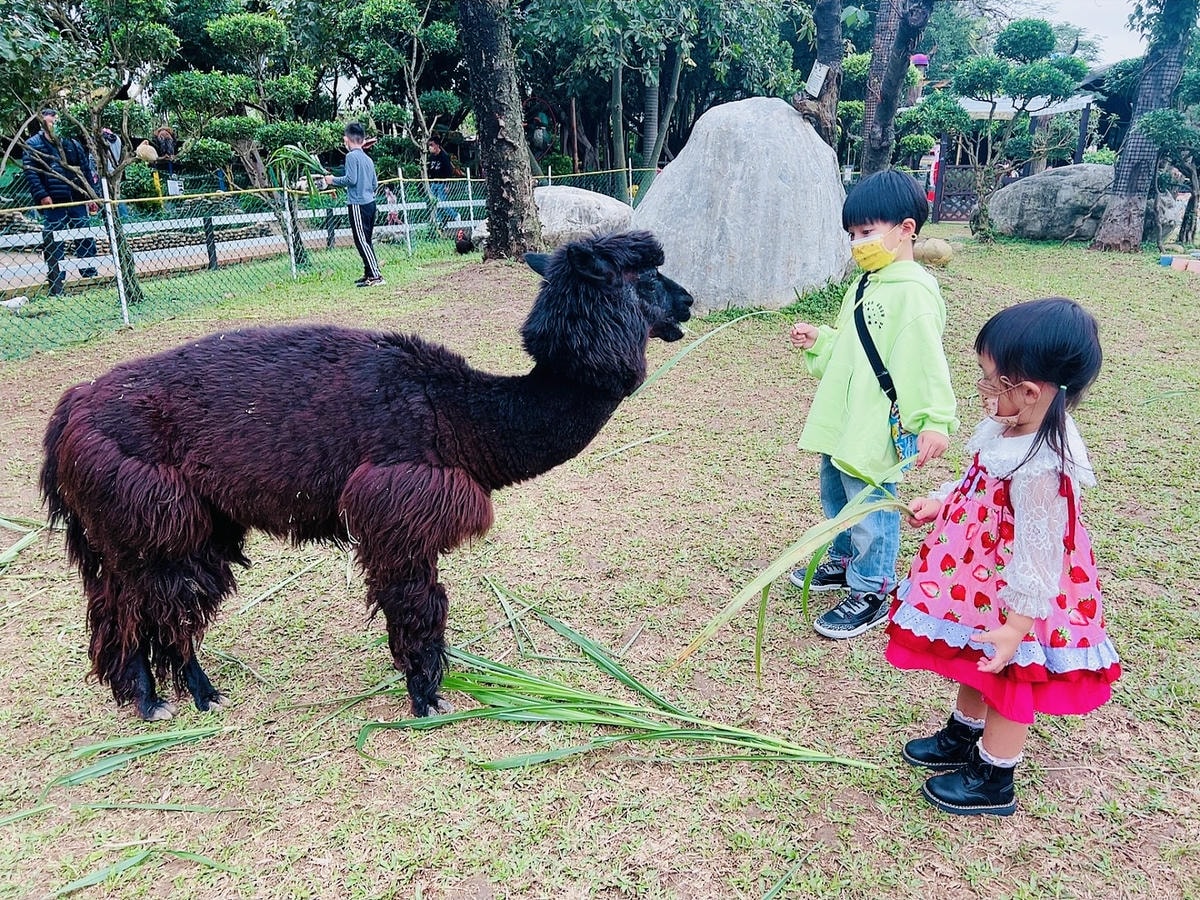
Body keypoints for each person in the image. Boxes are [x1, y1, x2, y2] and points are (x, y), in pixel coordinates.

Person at [884, 298, 1120, 816]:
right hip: (983, 580)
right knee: (977, 658)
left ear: (1030, 391)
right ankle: (963, 735)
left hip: (1020, 597)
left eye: (991, 381)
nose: (983, 391)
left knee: (1011, 672)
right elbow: (977, 479)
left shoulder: (1043, 464)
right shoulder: (1007, 427)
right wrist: (942, 499)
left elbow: (1039, 551)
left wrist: (1018, 624)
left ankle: (995, 776)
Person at [788, 169, 958, 639]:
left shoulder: (913, 293)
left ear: (906, 229)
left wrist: (934, 421)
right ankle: (845, 561)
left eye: (867, 232)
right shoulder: (865, 283)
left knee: (872, 504)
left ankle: (874, 587)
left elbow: (924, 362)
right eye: (853, 235)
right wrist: (819, 339)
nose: (858, 242)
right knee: (837, 493)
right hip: (845, 417)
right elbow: (851, 345)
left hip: (876, 421)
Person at [22, 108, 99, 294]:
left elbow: (85, 170)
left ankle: (89, 272)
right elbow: (31, 173)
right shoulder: (33, 144)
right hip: (54, 200)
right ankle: (56, 276)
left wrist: (91, 195)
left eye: (55, 122)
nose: (52, 125)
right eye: (48, 122)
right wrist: (42, 195)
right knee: (54, 238)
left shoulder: (71, 142)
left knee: (84, 234)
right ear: (42, 124)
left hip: (77, 197)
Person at [324, 122, 383, 287]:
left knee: (361, 241)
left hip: (357, 204)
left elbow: (351, 180)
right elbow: (374, 184)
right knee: (367, 240)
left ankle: (376, 276)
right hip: (370, 203)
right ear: (363, 140)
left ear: (346, 139)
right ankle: (369, 273)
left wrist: (332, 180)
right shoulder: (368, 159)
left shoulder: (351, 157)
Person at [426, 136, 457, 224]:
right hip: (433, 183)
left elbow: (449, 171)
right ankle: (439, 221)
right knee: (434, 203)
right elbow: (429, 170)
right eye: (429, 145)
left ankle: (455, 215)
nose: (430, 147)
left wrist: (447, 184)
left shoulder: (444, 157)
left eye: (431, 145)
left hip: (442, 183)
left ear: (437, 145)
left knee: (442, 203)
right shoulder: (431, 157)